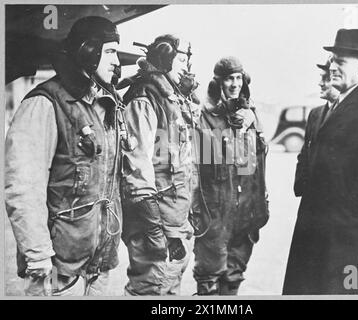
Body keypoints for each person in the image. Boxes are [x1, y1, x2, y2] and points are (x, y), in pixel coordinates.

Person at [5, 16, 124, 296]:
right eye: (110, 51)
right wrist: (37, 254)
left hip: (99, 262)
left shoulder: (106, 105)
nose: (116, 61)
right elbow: (23, 186)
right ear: (88, 51)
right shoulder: (44, 103)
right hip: (58, 267)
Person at [283, 29, 358, 294]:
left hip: (351, 237)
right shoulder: (334, 106)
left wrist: (344, 219)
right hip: (319, 229)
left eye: (341, 62)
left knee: (347, 291)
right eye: (333, 60)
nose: (333, 67)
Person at [121, 34, 199, 295]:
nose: (187, 68)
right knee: (150, 287)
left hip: (176, 220)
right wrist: (153, 228)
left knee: (169, 287)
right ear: (166, 60)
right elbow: (137, 168)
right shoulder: (144, 98)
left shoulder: (174, 100)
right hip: (157, 224)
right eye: (182, 61)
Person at [192, 56, 269, 295]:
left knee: (234, 275)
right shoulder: (206, 116)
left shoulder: (251, 115)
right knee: (209, 278)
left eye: (238, 78)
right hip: (214, 210)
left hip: (244, 209)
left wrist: (249, 125)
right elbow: (200, 166)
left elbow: (256, 165)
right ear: (218, 83)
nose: (234, 84)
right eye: (229, 79)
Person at [293, 58, 340, 197]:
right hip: (311, 202)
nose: (320, 83)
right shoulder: (315, 114)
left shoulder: (349, 114)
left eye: (326, 79)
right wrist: (302, 188)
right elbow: (304, 155)